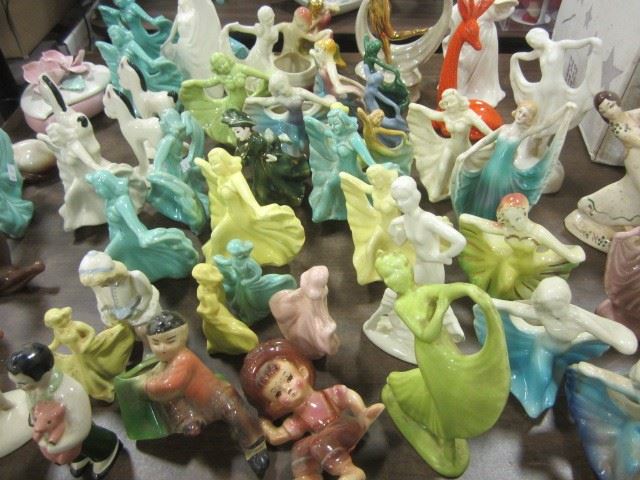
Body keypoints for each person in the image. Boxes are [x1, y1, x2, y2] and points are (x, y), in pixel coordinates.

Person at [374, 252, 510, 477]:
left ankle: (454, 427)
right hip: (431, 355)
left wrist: (469, 290)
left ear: (408, 268)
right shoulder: (402, 304)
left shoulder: (423, 290)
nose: (394, 279)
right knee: (443, 396)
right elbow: (425, 334)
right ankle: (447, 438)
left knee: (456, 387)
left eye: (397, 270)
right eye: (387, 276)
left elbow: (448, 290)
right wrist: (440, 309)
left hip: (446, 348)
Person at [474, 276, 638, 418]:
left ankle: (551, 379)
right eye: (546, 307)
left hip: (566, 349)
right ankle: (533, 402)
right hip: (542, 349)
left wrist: (617, 340)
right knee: (542, 375)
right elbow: (517, 308)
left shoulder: (577, 318)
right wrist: (486, 301)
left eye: (552, 307)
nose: (549, 312)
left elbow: (612, 334)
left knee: (558, 370)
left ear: (563, 303)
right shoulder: (544, 312)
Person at [140, 312, 269, 478]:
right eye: (156, 343)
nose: (163, 348)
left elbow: (169, 384)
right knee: (173, 401)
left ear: (183, 337)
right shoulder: (162, 365)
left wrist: (147, 384)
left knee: (237, 414)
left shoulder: (184, 358)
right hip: (195, 404)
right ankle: (188, 419)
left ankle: (255, 446)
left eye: (170, 341)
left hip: (215, 396)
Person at [240, 339, 384, 480]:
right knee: (299, 448)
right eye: (278, 393)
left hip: (345, 426)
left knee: (319, 443)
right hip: (324, 442)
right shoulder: (298, 419)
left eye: (289, 378)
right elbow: (277, 437)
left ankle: (350, 471)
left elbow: (348, 395)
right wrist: (264, 425)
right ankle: (308, 476)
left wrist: (361, 411)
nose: (288, 389)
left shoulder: (326, 395)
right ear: (276, 405)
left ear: (303, 372)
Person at [363, 175, 466, 364]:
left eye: (405, 198)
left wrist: (442, 256)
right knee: (410, 296)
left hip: (432, 267)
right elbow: (399, 241)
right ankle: (414, 331)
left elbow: (460, 241)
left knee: (433, 299)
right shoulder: (405, 219)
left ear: (416, 196)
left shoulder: (427, 220)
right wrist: (394, 227)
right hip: (418, 265)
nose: (401, 204)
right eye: (397, 200)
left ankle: (451, 331)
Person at [8, 343, 122, 479]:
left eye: (22, 383)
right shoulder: (33, 391)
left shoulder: (70, 390)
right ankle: (80, 456)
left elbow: (82, 424)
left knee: (90, 441)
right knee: (74, 452)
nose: (18, 387)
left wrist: (66, 442)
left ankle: (107, 449)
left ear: (43, 374)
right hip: (55, 433)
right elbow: (32, 409)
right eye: (16, 383)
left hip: (76, 429)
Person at [452, 100, 575, 220]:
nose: (520, 116)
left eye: (525, 115)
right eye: (520, 112)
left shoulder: (523, 133)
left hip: (504, 173)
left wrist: (564, 109)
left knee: (497, 195)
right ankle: (478, 221)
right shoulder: (504, 128)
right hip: (489, 168)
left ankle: (493, 223)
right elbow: (485, 141)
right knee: (483, 192)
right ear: (516, 111)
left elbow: (544, 125)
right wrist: (467, 153)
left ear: (529, 119)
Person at [458, 192, 585, 300]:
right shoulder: (507, 228)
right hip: (511, 263)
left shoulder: (538, 232)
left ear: (525, 213)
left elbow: (561, 249)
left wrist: (573, 256)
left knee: (528, 293)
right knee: (502, 287)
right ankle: (491, 307)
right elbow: (469, 219)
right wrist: (465, 218)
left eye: (517, 219)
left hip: (531, 266)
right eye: (508, 221)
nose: (513, 224)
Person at [195, 148, 305, 265]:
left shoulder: (236, 178)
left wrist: (258, 210)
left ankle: (215, 264)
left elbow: (248, 197)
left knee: (216, 236)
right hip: (231, 215)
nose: (215, 167)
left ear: (224, 161)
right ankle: (218, 261)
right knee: (218, 237)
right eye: (212, 164)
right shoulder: (223, 179)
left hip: (241, 217)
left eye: (216, 163)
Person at [565, 91, 640, 252]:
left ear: (618, 103)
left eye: (611, 106)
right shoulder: (618, 128)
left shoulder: (630, 115)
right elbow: (636, 140)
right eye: (605, 111)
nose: (610, 112)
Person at [408, 88, 492, 202]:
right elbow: (431, 114)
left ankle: (458, 192)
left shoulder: (468, 115)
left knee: (463, 174)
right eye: (446, 103)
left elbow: (487, 131)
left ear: (458, 100)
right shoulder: (446, 115)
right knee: (442, 168)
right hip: (449, 146)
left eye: (451, 102)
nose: (449, 105)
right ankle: (436, 194)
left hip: (464, 150)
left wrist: (492, 141)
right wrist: (416, 107)